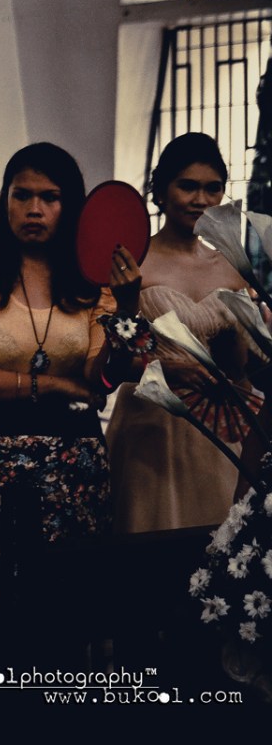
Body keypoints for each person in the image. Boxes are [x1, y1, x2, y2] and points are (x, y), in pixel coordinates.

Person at [0, 143, 140, 658]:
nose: (34, 209)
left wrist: (128, 307)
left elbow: (102, 376)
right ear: (4, 202)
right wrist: (46, 385)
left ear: (71, 207)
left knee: (70, 614)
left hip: (74, 460)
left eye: (50, 197)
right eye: (21, 195)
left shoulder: (94, 289)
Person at [107, 133, 252, 532]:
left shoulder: (231, 265)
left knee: (224, 542)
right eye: (187, 186)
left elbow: (239, 367)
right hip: (152, 424)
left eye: (212, 188)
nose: (200, 199)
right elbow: (111, 358)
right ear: (161, 192)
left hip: (219, 424)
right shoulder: (134, 262)